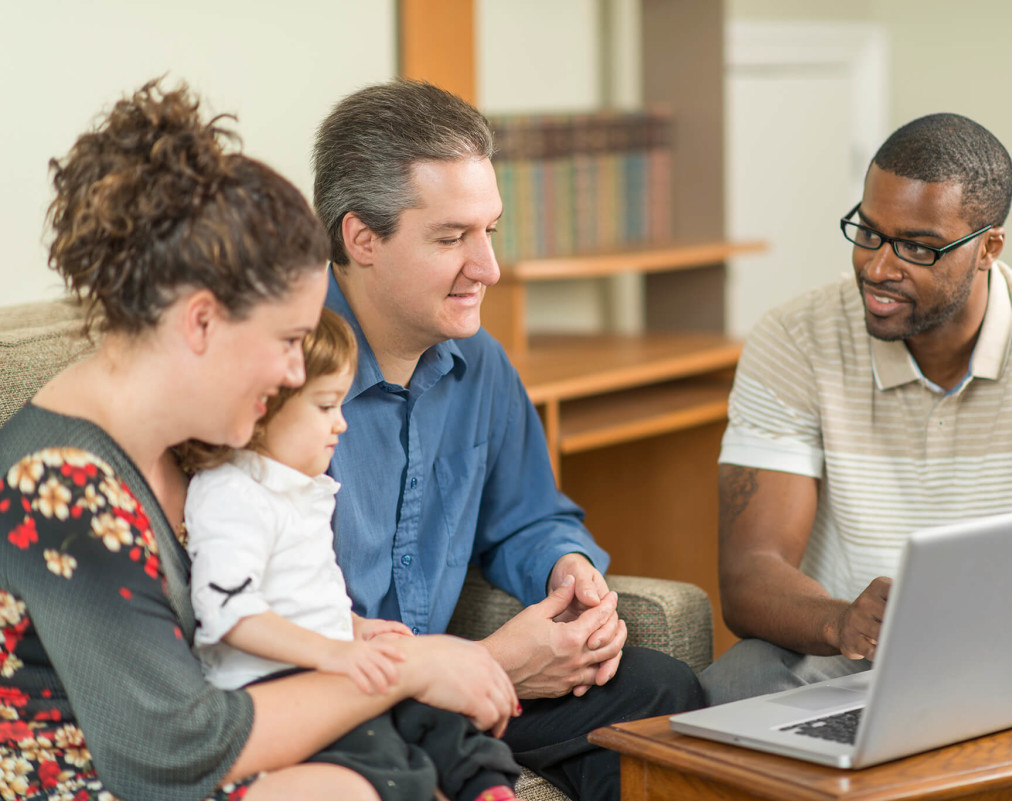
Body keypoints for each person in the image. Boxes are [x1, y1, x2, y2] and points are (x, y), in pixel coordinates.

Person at [0, 79, 518, 801]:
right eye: (287, 340)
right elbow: (170, 751)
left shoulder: (192, 443)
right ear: (202, 322)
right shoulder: (58, 485)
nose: (293, 371)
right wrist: (408, 668)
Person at [700, 112, 1012, 800]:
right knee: (735, 681)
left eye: (917, 247)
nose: (878, 266)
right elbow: (749, 572)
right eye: (869, 231)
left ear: (988, 246)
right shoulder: (794, 339)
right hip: (856, 659)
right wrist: (840, 619)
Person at [311, 79, 705, 801]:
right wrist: (492, 663)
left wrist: (565, 567)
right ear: (361, 238)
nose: (488, 268)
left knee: (662, 694)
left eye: (489, 230)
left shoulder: (479, 363)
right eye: (451, 237)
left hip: (435, 691)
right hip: (335, 703)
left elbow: (528, 514)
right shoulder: (288, 375)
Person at [183, 307, 523, 801]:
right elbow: (229, 613)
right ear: (262, 405)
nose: (341, 424)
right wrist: (333, 651)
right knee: (383, 748)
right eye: (325, 406)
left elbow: (305, 595)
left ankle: (487, 785)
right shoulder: (230, 493)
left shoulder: (300, 489)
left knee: (435, 710)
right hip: (276, 687)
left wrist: (355, 628)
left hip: (328, 665)